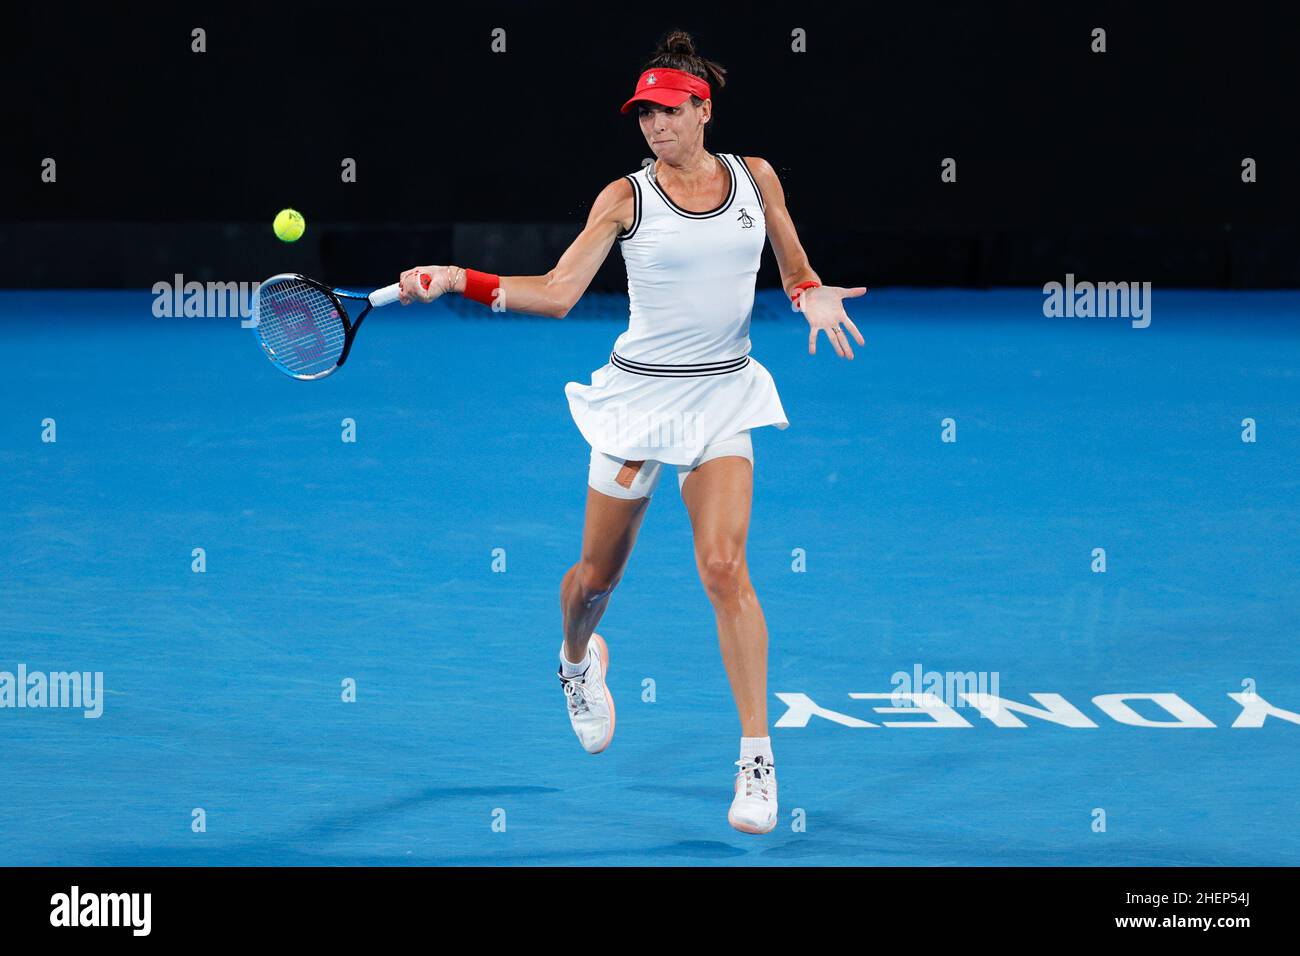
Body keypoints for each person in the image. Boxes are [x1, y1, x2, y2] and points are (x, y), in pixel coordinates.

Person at [397, 30, 865, 834]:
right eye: (644, 115)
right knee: (594, 579)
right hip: (638, 404)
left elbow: (793, 266)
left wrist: (811, 293)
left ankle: (757, 758)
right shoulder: (625, 197)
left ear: (702, 109)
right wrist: (455, 279)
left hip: (722, 395)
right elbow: (554, 292)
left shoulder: (757, 178)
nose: (654, 127)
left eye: (668, 112)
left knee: (724, 567)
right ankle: (577, 660)